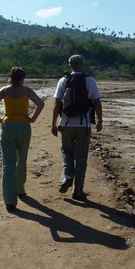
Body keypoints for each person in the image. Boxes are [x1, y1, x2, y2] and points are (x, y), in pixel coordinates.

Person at [0, 67, 45, 211]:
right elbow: (41, 104)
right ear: (22, 78)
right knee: (22, 159)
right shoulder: (27, 91)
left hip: (8, 127)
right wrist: (32, 119)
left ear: (11, 77)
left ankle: (10, 200)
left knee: (8, 164)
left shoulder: (5, 90)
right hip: (24, 127)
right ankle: (20, 189)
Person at [51, 55, 102, 200]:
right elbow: (97, 103)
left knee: (67, 152)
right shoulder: (90, 81)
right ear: (82, 65)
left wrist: (53, 124)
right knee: (81, 158)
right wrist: (100, 121)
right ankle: (77, 191)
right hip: (83, 125)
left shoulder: (63, 80)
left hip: (65, 125)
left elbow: (57, 104)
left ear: (70, 65)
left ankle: (67, 176)